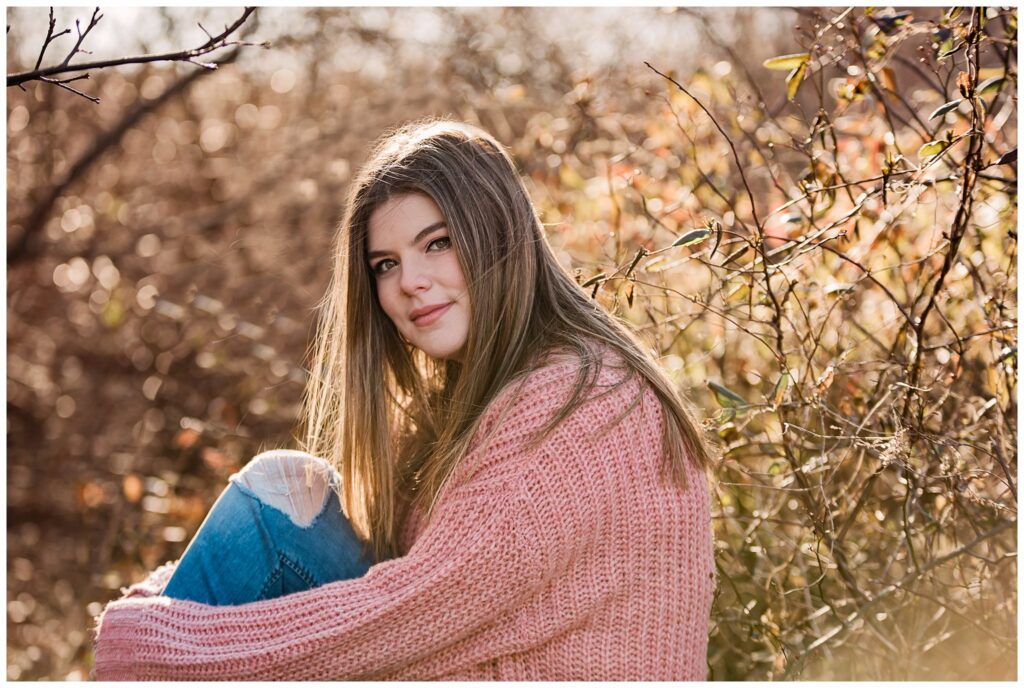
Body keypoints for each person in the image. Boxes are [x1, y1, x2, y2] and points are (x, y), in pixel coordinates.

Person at [91, 119, 717, 680]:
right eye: (385, 264)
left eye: (437, 243)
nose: (410, 282)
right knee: (285, 491)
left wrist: (164, 639)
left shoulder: (578, 404)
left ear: (499, 236)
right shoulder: (489, 390)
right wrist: (162, 609)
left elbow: (409, 613)